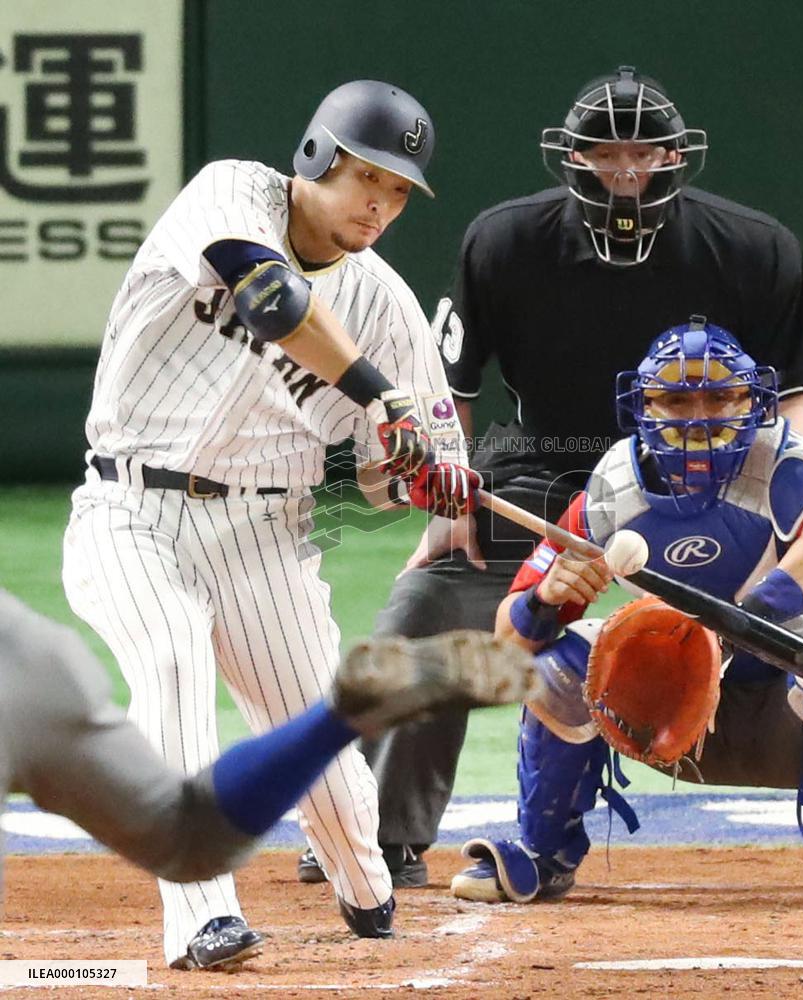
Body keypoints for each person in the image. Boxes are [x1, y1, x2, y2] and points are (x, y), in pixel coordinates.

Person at [327, 66, 803, 890]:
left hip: (730, 466)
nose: (627, 171)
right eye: (607, 154)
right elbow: (445, 390)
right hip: (549, 465)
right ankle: (375, 835)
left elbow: (801, 399)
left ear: (681, 158)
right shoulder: (504, 240)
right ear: (570, 159)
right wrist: (446, 498)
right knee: (429, 600)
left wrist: (764, 474)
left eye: (646, 153)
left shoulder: (753, 247)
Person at [60, 79, 481, 971]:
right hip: (127, 509)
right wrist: (380, 396)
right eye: (365, 176)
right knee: (169, 659)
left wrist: (421, 474)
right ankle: (201, 912)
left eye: (400, 189)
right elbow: (270, 298)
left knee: (317, 742)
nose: (379, 202)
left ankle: (363, 886)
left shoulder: (389, 306)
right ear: (316, 159)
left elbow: (391, 484)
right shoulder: (231, 193)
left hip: (266, 538)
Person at [449, 319, 803, 906]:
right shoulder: (614, 487)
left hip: (796, 719)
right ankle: (544, 855)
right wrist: (544, 602)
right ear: (641, 406)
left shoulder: (790, 466)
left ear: (755, 401)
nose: (699, 418)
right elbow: (506, 644)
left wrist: (745, 617)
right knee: (561, 666)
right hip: (673, 720)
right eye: (676, 400)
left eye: (720, 397)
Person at [0, 587, 535, 968]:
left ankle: (363, 875)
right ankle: (340, 720)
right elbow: (188, 835)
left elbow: (188, 834)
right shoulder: (25, 661)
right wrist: (336, 723)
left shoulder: (26, 668)